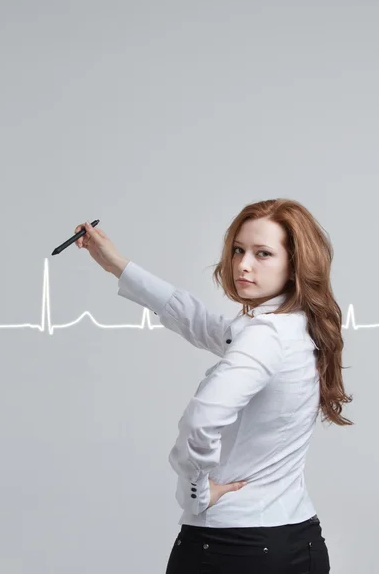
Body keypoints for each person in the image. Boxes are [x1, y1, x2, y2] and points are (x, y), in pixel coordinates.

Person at [74, 198, 351, 573]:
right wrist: (116, 264)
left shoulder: (265, 336)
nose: (243, 264)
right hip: (299, 542)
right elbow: (200, 322)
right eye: (238, 250)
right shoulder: (297, 328)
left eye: (263, 253)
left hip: (233, 548)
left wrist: (195, 492)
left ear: (295, 264)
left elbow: (200, 421)